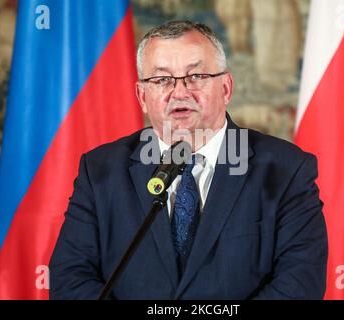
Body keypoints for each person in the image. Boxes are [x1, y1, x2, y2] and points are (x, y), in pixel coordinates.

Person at [49, 20, 328, 299]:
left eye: (196, 76)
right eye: (162, 80)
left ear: (226, 88)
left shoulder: (287, 171)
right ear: (142, 96)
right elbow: (70, 279)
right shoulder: (100, 171)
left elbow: (299, 286)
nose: (180, 92)